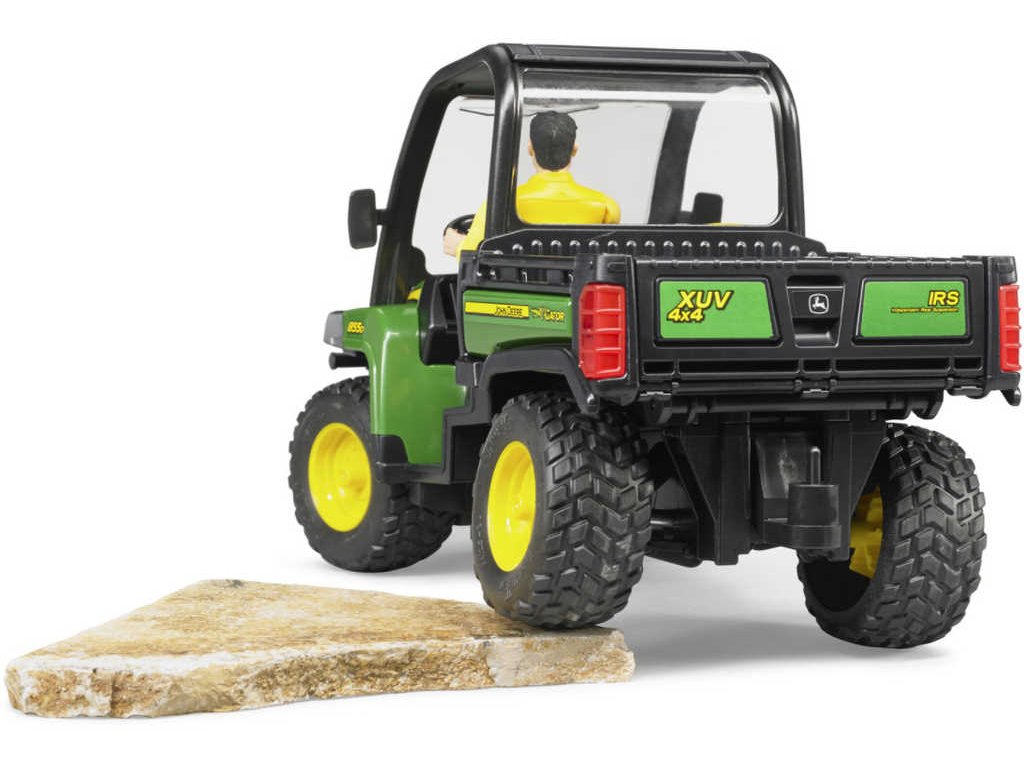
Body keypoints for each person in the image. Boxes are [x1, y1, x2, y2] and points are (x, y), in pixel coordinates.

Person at [444, 111, 620, 257]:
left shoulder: (501, 204)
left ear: (530, 148)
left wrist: (459, 246)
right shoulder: (605, 206)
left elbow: (473, 256)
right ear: (574, 149)